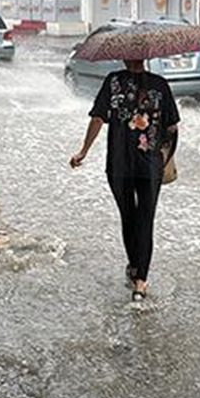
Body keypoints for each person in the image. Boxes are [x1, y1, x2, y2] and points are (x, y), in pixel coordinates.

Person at [70, 60, 179, 301]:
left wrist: (83, 151)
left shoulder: (113, 81)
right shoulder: (160, 85)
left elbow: (97, 119)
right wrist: (164, 158)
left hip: (119, 163)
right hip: (150, 166)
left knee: (129, 216)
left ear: (124, 56)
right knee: (145, 218)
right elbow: (172, 128)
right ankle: (141, 280)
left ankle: (135, 269)